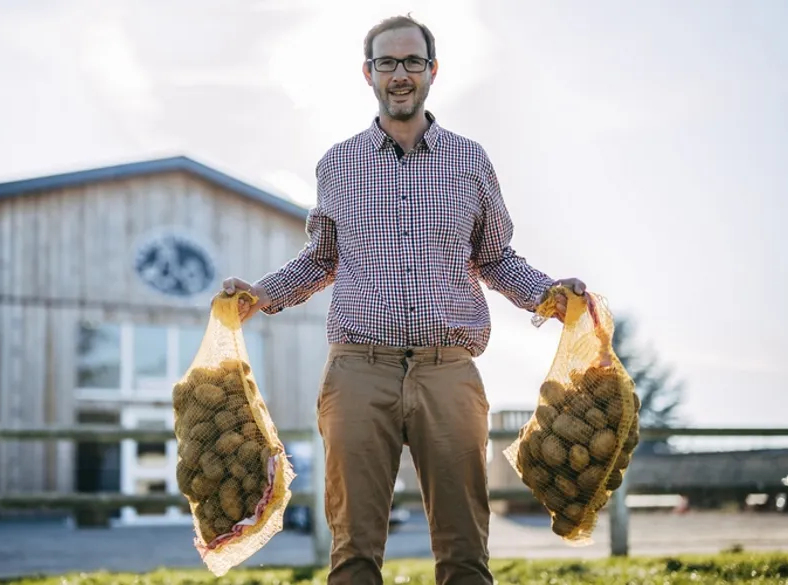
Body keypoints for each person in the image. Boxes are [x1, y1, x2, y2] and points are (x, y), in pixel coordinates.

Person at [218, 14, 586, 585]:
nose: (400, 74)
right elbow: (321, 259)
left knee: (465, 551)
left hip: (449, 371)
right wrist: (262, 293)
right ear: (368, 74)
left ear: (433, 71)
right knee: (354, 551)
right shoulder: (338, 164)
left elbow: (494, 257)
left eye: (412, 61)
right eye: (386, 62)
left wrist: (547, 294)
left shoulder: (470, 161)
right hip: (359, 371)